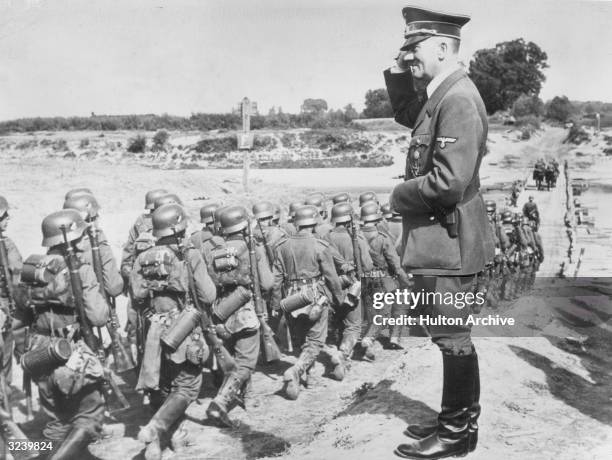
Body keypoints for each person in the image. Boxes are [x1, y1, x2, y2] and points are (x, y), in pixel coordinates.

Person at [385, 6, 495, 459]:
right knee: (448, 334)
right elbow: (410, 113)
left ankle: (455, 435)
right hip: (443, 240)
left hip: (451, 241)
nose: (409, 57)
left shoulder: (459, 100)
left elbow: (448, 184)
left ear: (445, 48)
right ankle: (459, 423)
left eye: (416, 49)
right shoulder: (442, 94)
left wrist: (398, 196)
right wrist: (400, 70)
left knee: (451, 336)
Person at [15, 209, 109, 458]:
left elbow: (21, 316)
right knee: (90, 416)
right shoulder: (79, 269)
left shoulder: (31, 269)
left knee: (58, 421)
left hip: (38, 351)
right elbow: (99, 316)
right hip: (70, 353)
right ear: (75, 237)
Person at [131, 203, 215, 459]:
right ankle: (155, 431)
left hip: (153, 330)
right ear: (179, 228)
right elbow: (208, 295)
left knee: (164, 387)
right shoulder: (188, 255)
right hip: (183, 331)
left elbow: (136, 297)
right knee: (188, 386)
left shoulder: (142, 258)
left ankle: (170, 440)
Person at [205, 205, 273, 426]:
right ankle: (221, 402)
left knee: (237, 355)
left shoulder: (213, 251)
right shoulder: (252, 248)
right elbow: (267, 283)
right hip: (245, 312)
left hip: (221, 312)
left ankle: (248, 395)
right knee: (245, 362)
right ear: (244, 226)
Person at [271, 205, 343, 399]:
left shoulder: (282, 245)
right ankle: (296, 370)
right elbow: (332, 278)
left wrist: (277, 305)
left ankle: (309, 377)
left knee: (303, 339)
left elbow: (276, 279)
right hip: (315, 296)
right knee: (316, 340)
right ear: (313, 223)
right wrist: (339, 298)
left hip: (291, 299)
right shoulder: (320, 246)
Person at [324, 202, 374, 380]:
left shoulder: (325, 237)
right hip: (352, 288)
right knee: (353, 325)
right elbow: (368, 266)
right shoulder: (357, 238)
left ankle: (337, 353)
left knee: (337, 322)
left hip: (331, 287)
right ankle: (342, 355)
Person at [360, 202, 412, 356]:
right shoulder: (383, 237)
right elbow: (395, 264)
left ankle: (370, 343)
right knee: (396, 306)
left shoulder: (357, 236)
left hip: (365, 279)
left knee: (372, 311)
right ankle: (392, 337)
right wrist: (405, 280)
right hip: (386, 278)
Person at [0, 196, 21, 410]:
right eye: (4, 216)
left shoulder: (6, 244)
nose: (7, 218)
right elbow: (18, 277)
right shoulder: (5, 245)